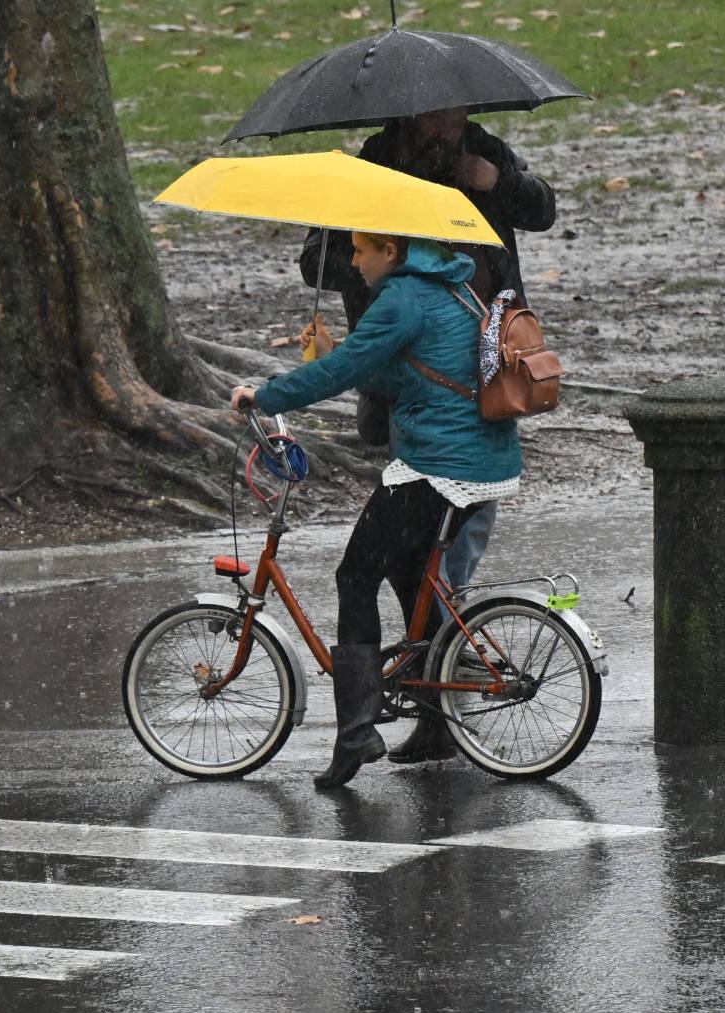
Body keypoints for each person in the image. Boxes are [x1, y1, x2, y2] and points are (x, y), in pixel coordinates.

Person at [231, 232, 522, 790]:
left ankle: (357, 731)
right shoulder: (451, 285)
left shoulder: (402, 297)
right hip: (482, 459)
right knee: (408, 571)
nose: (353, 262)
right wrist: (335, 351)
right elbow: (399, 373)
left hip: (440, 463)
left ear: (392, 251)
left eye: (361, 250)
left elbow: (341, 376)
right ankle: (438, 721)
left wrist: (263, 396)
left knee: (355, 574)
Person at [297, 107, 554, 590]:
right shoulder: (372, 166)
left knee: (474, 506)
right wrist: (390, 263)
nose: (449, 129)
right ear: (410, 116)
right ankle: (439, 628)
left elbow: (543, 211)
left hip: (490, 355)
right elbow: (315, 262)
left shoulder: (486, 152)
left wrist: (498, 180)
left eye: (457, 118)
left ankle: (447, 623)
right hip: (410, 364)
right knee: (419, 501)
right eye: (437, 120)